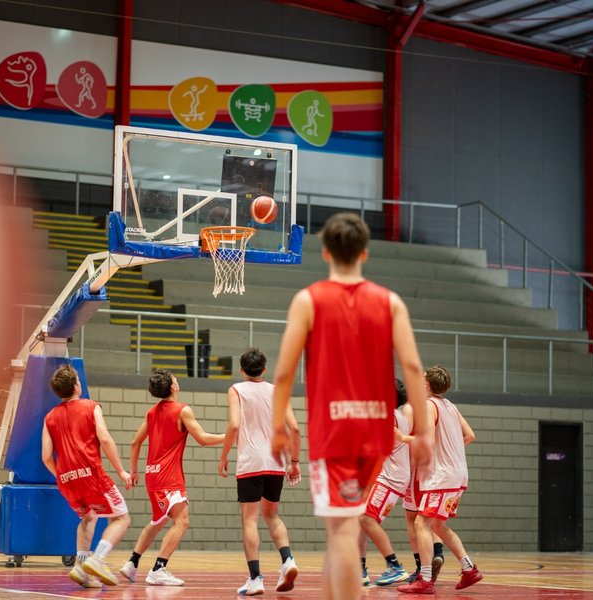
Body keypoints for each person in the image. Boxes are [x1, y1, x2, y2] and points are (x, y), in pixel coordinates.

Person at [271, 212, 432, 600]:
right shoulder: (390, 302)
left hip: (335, 432)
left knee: (341, 531)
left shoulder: (308, 300)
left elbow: (284, 371)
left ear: (325, 252)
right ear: (365, 253)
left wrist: (278, 424)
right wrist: (423, 431)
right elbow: (412, 367)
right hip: (375, 433)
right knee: (344, 529)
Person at [120, 369, 224, 586]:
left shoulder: (151, 413)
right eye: (175, 379)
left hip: (152, 477)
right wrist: (231, 436)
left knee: (158, 521)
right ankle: (158, 568)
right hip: (169, 479)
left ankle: (132, 563)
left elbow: (134, 442)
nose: (177, 380)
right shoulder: (182, 410)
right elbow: (203, 439)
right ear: (173, 387)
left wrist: (134, 471)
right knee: (182, 521)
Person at [218, 348, 302, 596]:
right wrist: (295, 462)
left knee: (250, 520)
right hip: (276, 461)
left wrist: (223, 456)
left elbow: (234, 424)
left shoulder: (236, 390)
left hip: (250, 462)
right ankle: (287, 560)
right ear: (265, 369)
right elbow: (295, 428)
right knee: (272, 515)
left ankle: (255, 578)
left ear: (242, 370)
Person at [41, 363, 132, 589]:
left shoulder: (49, 417)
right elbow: (105, 438)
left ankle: (81, 568)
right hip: (91, 475)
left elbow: (45, 456)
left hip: (66, 480)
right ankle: (97, 559)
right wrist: (121, 470)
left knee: (88, 517)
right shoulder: (91, 406)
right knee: (121, 518)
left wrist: (62, 475)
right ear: (76, 385)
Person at [397, 365, 481, 594]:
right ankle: (469, 568)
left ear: (426, 384)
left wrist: (402, 437)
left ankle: (424, 579)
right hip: (458, 473)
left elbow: (427, 440)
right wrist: (450, 452)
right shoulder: (450, 406)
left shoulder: (428, 405)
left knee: (420, 523)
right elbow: (470, 435)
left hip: (442, 475)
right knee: (437, 525)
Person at [358, 379, 412, 587]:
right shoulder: (398, 415)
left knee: (367, 519)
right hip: (391, 475)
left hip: (390, 477)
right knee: (361, 521)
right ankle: (360, 571)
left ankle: (395, 566)